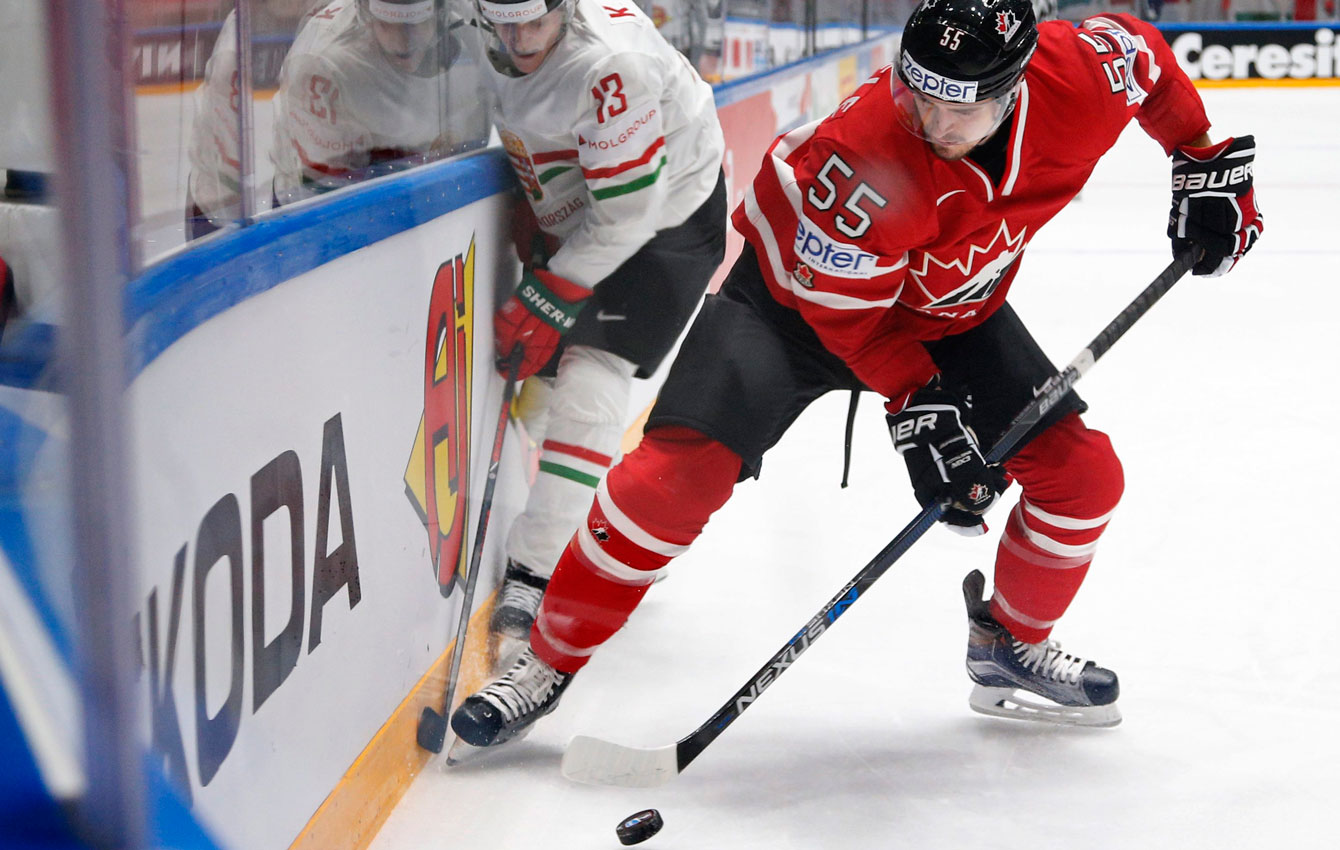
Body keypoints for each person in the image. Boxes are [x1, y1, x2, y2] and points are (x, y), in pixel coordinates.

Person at [448, 0, 1264, 752]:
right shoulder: (863, 157)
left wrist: (1203, 157)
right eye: (920, 99)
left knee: (1083, 477)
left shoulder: (1083, 72)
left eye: (961, 109)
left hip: (948, 310)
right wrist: (919, 406)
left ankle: (1008, 646)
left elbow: (1148, 59)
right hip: (789, 309)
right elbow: (847, 321)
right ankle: (547, 662)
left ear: (1015, 91)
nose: (935, 124)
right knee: (669, 482)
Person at [468, 0, 727, 660]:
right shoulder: (477, 27)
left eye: (535, 22)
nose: (520, 40)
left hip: (668, 214)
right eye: (505, 23)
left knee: (591, 371)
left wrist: (552, 295)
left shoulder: (613, 64)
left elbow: (627, 216)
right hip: (589, 200)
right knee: (544, 398)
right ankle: (601, 529)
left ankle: (536, 573)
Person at [269, 0, 491, 207]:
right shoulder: (325, 66)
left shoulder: (475, 24)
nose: (403, 43)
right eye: (387, 24)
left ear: (440, 13)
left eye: (417, 23)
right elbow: (322, 202)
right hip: (329, 203)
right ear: (366, 15)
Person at [185, 0, 317, 240]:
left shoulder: (327, 20)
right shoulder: (231, 58)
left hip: (293, 191)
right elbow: (224, 179)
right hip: (219, 209)